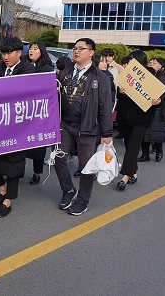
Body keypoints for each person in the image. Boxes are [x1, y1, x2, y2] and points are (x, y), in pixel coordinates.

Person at [55, 39, 113, 215]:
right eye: (75, 48)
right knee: (58, 158)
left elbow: (105, 106)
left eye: (81, 49)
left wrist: (106, 132)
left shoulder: (100, 77)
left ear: (92, 52)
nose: (77, 51)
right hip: (64, 123)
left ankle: (82, 200)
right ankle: (68, 190)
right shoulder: (65, 72)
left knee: (86, 166)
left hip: (87, 127)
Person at [0, 37, 34, 218]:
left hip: (18, 125)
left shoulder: (28, 71)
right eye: (4, 53)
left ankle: (8, 201)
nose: (5, 57)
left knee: (13, 163)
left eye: (9, 53)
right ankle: (2, 190)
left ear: (18, 53)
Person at [115, 50, 161, 190]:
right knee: (130, 146)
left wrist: (157, 101)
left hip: (142, 118)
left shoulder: (150, 74)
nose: (129, 62)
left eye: (132, 60)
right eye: (129, 60)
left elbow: (157, 95)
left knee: (134, 146)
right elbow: (120, 96)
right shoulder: (126, 74)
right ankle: (134, 172)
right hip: (125, 117)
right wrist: (121, 92)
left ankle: (125, 176)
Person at [26, 41, 53, 185]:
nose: (31, 51)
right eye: (30, 48)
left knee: (37, 144)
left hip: (40, 111)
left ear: (41, 51)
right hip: (24, 110)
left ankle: (37, 173)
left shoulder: (47, 68)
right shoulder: (24, 66)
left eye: (35, 49)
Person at [138, 57, 165, 163]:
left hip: (159, 110)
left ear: (162, 66)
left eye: (155, 63)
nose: (151, 64)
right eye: (150, 62)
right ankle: (145, 155)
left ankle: (159, 150)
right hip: (144, 108)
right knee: (143, 133)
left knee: (157, 132)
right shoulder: (143, 76)